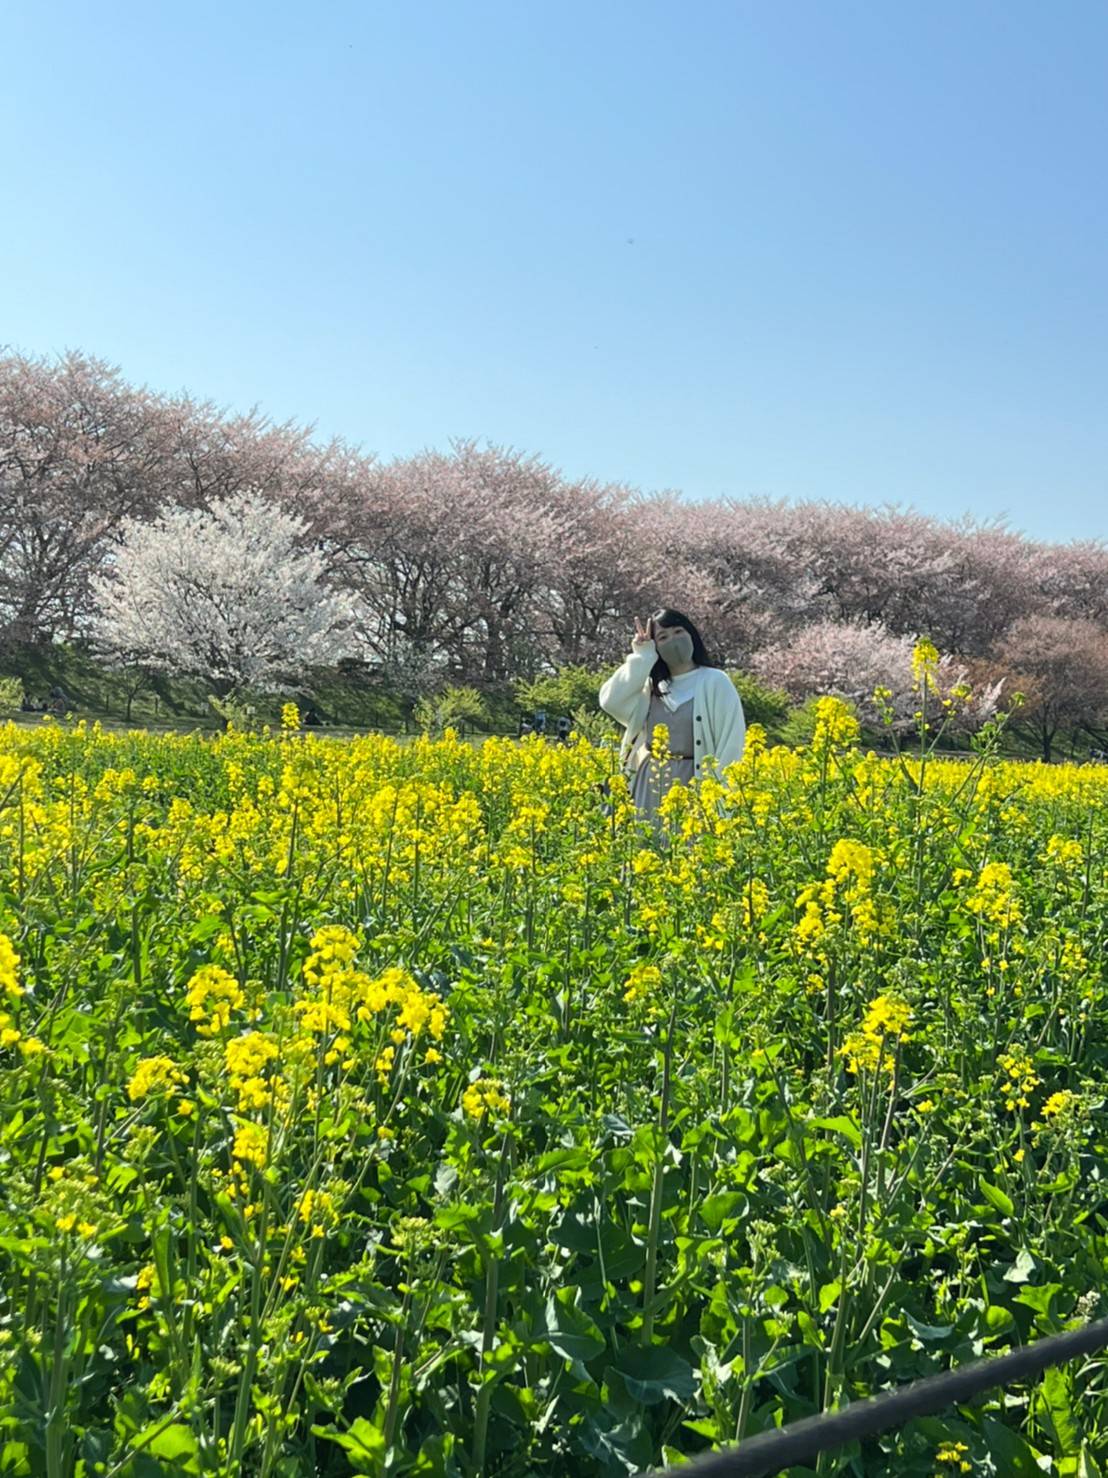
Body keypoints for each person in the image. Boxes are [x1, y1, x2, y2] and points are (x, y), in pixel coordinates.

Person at [598, 608, 746, 833]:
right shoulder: (651, 688)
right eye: (663, 637)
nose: (673, 640)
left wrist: (717, 800)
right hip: (648, 785)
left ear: (691, 634)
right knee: (646, 850)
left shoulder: (715, 681)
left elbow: (731, 746)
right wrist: (642, 656)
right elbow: (611, 701)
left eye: (678, 631)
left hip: (693, 783)